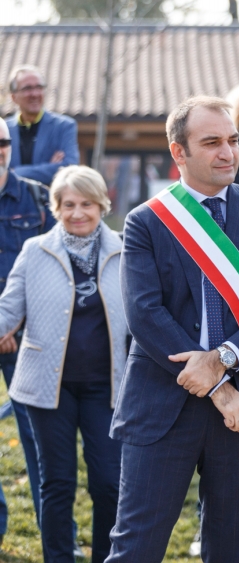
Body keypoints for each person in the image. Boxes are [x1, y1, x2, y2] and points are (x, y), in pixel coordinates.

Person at [107, 96, 239, 562]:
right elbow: (145, 315)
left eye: (232, 141)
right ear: (179, 153)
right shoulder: (146, 222)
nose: (228, 153)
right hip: (162, 407)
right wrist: (219, 387)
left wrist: (223, 362)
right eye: (211, 142)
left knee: (232, 552)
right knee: (135, 548)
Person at [0, 166, 125, 562]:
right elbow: (8, 309)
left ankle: (108, 557)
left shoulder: (126, 249)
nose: (77, 213)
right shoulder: (35, 251)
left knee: (108, 482)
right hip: (46, 388)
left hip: (107, 386)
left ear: (102, 205)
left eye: (87, 203)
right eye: (68, 204)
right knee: (56, 482)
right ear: (55, 208)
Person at [0, 120, 55, 545]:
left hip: (25, 339)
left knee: (39, 444)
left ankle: (55, 534)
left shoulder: (36, 200)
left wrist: (14, 321)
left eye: (2, 141)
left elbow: (49, 270)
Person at [5, 65, 79, 185]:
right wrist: (50, 168)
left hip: (47, 202)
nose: (35, 94)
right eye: (27, 88)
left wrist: (14, 173)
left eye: (39, 87)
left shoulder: (64, 126)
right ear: (13, 97)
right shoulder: (3, 130)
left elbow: (69, 168)